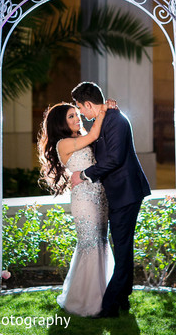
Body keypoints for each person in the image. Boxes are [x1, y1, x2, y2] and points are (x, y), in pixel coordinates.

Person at [71, 81, 151, 318]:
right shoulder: (104, 119)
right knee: (122, 247)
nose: (81, 113)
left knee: (123, 247)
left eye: (80, 108)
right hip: (118, 194)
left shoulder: (117, 121)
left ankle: (108, 306)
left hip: (127, 192)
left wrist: (85, 175)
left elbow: (114, 158)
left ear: (87, 104)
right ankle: (123, 299)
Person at [37, 100, 116, 317]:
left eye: (76, 114)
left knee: (100, 243)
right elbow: (92, 136)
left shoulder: (77, 139)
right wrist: (102, 110)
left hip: (100, 196)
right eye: (70, 116)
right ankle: (87, 302)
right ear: (60, 124)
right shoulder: (63, 143)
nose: (76, 118)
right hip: (84, 200)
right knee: (89, 244)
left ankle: (104, 296)